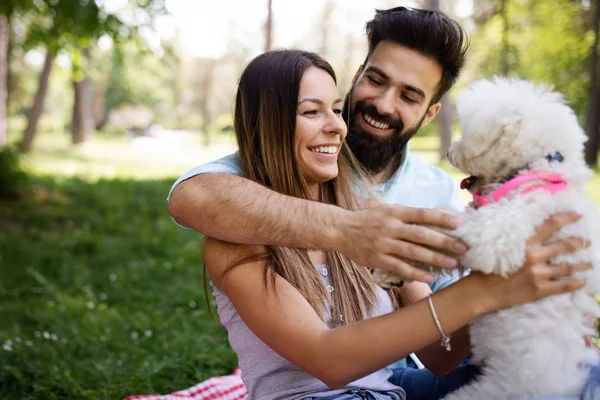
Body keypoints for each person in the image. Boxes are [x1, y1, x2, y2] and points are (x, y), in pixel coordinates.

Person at [168, 6, 591, 398]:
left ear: (429, 113)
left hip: (392, 387)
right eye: (312, 112)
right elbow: (328, 360)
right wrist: (486, 291)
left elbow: (440, 355)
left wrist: (524, 293)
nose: (337, 125)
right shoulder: (241, 225)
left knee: (578, 377)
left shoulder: (374, 212)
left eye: (334, 109)